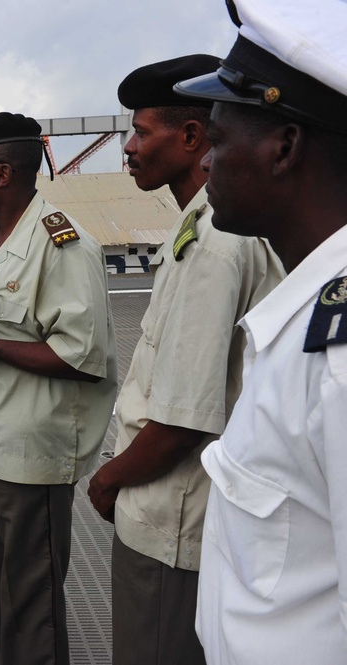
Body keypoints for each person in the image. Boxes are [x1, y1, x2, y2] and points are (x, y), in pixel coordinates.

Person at [85, 56, 283, 665]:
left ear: (193, 137)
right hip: (177, 510)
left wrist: (107, 480)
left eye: (143, 132)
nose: (128, 148)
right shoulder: (198, 229)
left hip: (172, 518)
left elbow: (182, 419)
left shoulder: (217, 242)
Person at [173, 1, 347, 661]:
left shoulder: (337, 358)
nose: (207, 165)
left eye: (217, 140)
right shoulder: (306, 320)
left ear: (284, 147)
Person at [0, 112, 117, 665]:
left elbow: (84, 357)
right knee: (2, 588)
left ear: (2, 174)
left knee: (31, 597)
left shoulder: (63, 243)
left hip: (31, 451)